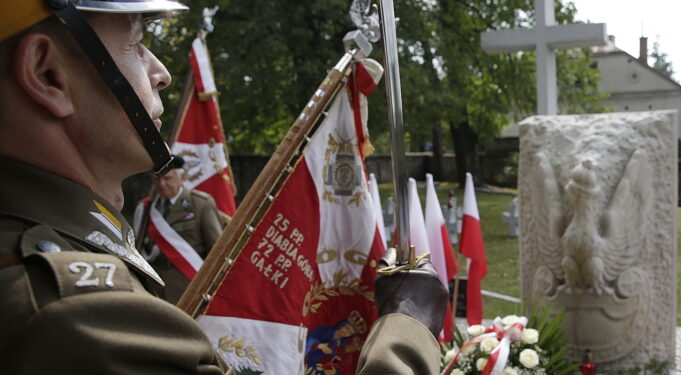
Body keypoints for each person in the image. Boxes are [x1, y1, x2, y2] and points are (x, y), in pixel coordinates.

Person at [0, 0, 447, 373]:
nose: (161, 73)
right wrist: (408, 329)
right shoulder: (74, 314)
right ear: (47, 74)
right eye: (135, 43)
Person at [134, 155, 224, 303]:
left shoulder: (200, 204)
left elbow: (216, 251)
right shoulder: (146, 208)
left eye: (168, 179)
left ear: (182, 178)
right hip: (155, 288)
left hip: (188, 285)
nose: (162, 184)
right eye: (156, 180)